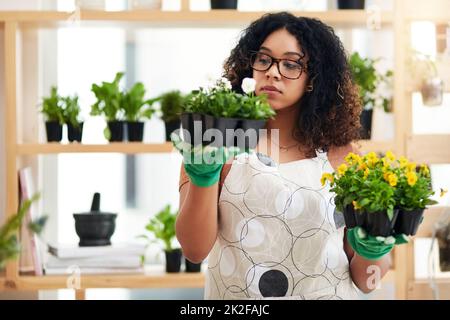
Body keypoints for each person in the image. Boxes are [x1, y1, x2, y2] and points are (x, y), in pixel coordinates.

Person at [174, 12, 406, 300]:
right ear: (250, 66)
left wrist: (374, 249)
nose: (273, 72)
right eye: (264, 60)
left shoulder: (344, 157)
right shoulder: (217, 144)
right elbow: (194, 251)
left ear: (313, 79)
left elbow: (367, 282)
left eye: (290, 64)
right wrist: (203, 177)